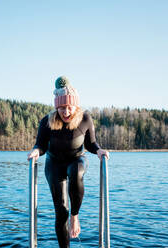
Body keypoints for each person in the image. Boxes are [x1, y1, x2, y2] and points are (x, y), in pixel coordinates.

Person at [27, 76, 109, 247]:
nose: (65, 112)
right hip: (54, 164)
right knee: (60, 212)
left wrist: (99, 150)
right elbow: (40, 145)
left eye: (69, 107)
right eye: (61, 108)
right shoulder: (47, 122)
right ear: (57, 106)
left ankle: (75, 216)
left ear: (75, 106)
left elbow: (91, 144)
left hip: (77, 159)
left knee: (76, 171)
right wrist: (36, 151)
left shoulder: (85, 119)